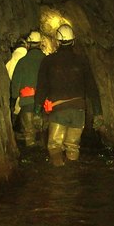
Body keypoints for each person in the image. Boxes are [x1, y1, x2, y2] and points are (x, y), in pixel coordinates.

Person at [34, 24, 103, 166]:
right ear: (73, 41)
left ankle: (60, 178)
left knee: (55, 146)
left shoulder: (48, 61)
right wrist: (98, 113)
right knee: (73, 146)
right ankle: (73, 177)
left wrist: (36, 112)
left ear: (57, 42)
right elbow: (92, 88)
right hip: (79, 111)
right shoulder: (82, 61)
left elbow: (42, 88)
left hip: (59, 110)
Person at [11, 31, 46, 147]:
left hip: (27, 103)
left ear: (28, 44)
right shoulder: (47, 61)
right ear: (41, 44)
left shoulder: (22, 62)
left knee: (29, 135)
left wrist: (13, 100)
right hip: (44, 105)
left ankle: (31, 149)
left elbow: (15, 85)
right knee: (42, 135)